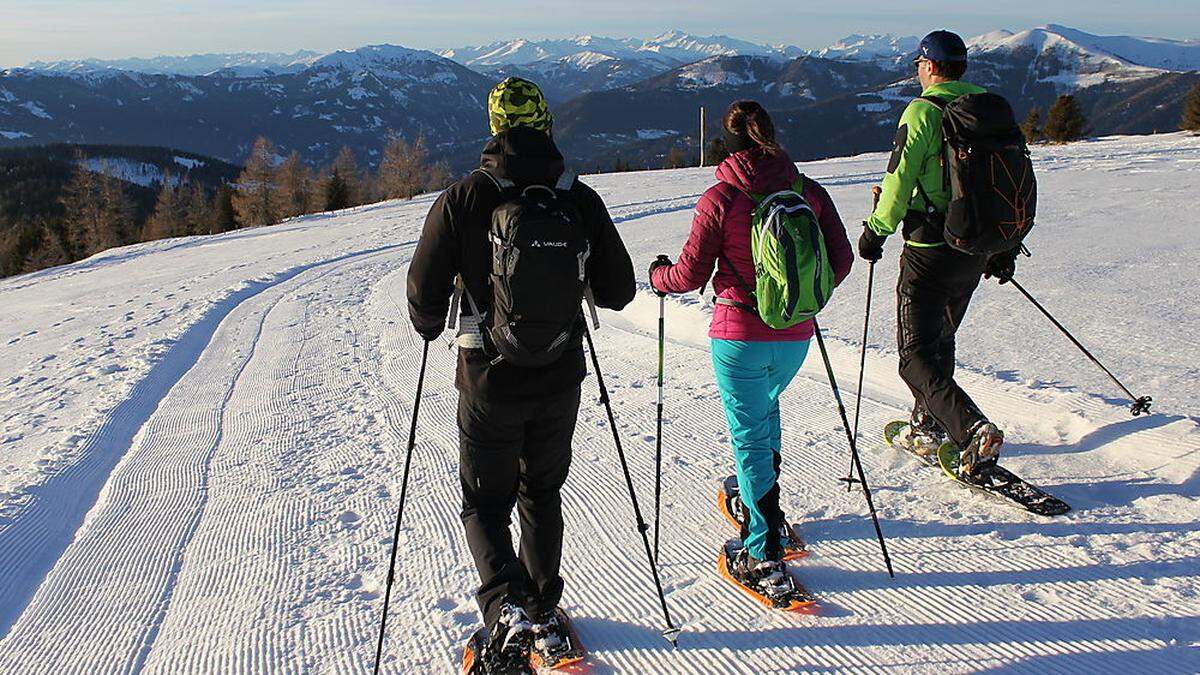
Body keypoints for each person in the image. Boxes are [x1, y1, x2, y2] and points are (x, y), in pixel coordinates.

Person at [407, 77, 635, 672]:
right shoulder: (577, 198)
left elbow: (422, 299)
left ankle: (507, 608)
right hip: (560, 376)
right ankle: (543, 612)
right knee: (541, 492)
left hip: (487, 377)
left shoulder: (463, 198)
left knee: (485, 502)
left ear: (494, 126)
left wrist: (434, 320)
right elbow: (619, 291)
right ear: (546, 123)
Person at [649, 100, 853, 597]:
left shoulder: (720, 197)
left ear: (728, 142)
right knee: (765, 412)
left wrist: (658, 277)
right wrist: (803, 298)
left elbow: (691, 274)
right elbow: (841, 258)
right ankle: (757, 500)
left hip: (738, 333)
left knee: (749, 436)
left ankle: (763, 548)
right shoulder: (807, 190)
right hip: (796, 335)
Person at [857, 30, 1020, 477]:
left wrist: (875, 231)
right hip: (976, 248)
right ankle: (928, 422)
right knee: (940, 339)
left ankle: (972, 431)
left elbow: (899, 178)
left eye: (918, 65)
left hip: (930, 247)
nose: (917, 72)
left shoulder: (925, 111)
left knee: (914, 357)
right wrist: (1002, 246)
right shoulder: (989, 107)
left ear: (929, 66)